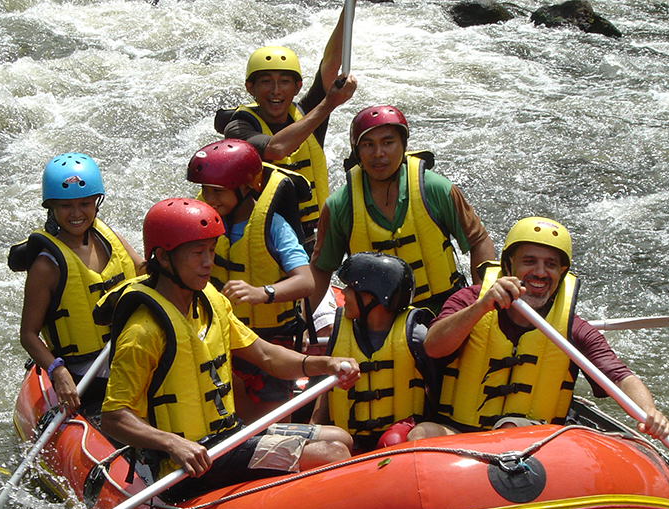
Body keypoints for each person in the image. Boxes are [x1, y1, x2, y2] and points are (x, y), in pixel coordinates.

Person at [98, 198, 359, 502]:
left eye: (211, 250)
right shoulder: (143, 332)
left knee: (342, 438)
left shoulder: (210, 300)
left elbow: (266, 355)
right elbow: (114, 416)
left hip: (229, 438)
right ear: (164, 258)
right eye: (197, 253)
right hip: (186, 464)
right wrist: (172, 444)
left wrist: (325, 364)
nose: (209, 262)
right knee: (331, 453)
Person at [416, 216, 669, 441]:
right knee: (421, 433)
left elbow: (619, 377)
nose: (540, 272)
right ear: (509, 265)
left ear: (561, 273)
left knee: (508, 427)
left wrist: (650, 412)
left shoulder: (574, 329)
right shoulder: (470, 301)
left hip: (530, 442)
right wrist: (481, 308)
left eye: (550, 264)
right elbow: (434, 347)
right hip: (458, 433)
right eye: (529, 261)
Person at [310, 104, 496, 315]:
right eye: (368, 145)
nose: (378, 153)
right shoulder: (339, 205)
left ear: (403, 145)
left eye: (388, 143)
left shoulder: (436, 189)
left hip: (442, 310)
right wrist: (304, 324)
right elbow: (322, 268)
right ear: (357, 151)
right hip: (376, 318)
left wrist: (482, 300)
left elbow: (478, 240)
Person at [9, 153, 144, 416]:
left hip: (130, 354)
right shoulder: (46, 267)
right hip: (86, 373)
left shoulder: (109, 238)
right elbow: (28, 334)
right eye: (66, 206)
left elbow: (142, 270)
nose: (76, 214)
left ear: (96, 202)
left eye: (84, 204)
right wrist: (57, 371)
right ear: (52, 208)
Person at [187, 139, 313, 418]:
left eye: (218, 191)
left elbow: (306, 282)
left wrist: (262, 293)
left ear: (246, 188)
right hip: (222, 337)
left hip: (269, 339)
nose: (209, 199)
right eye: (205, 190)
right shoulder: (203, 221)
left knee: (269, 419)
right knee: (233, 415)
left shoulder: (274, 226)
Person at [216, 3, 358, 251]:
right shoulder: (238, 127)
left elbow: (330, 64)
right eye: (266, 82)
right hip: (264, 235)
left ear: (297, 87)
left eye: (284, 82)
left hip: (311, 234)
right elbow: (276, 149)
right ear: (251, 88)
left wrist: (348, 9)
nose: (276, 91)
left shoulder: (306, 113)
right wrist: (328, 105)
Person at [311, 252, 439, 452]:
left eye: (351, 287)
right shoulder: (340, 329)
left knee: (393, 440)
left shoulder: (416, 335)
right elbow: (327, 392)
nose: (343, 292)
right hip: (349, 442)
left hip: (398, 441)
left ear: (373, 296)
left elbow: (435, 391)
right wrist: (314, 427)